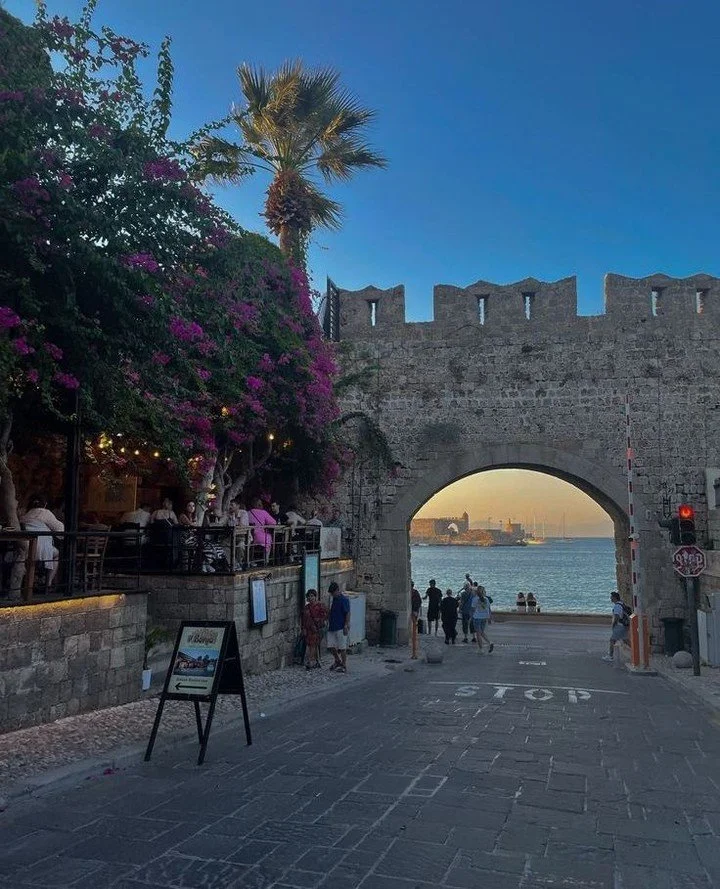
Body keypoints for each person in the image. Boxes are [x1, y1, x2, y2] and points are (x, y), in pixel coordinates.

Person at [20, 496, 64, 586]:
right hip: (42, 549)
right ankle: (48, 583)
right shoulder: (45, 513)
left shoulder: (25, 515)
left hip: (27, 548)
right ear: (45, 504)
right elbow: (60, 529)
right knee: (57, 554)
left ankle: (34, 579)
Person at [327, 581, 350, 673]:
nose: (332, 595)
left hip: (341, 626)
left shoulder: (344, 600)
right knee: (331, 645)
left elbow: (347, 613)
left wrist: (346, 625)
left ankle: (344, 665)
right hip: (332, 625)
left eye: (333, 593)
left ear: (337, 591)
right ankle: (337, 660)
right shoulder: (334, 600)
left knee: (342, 647)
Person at [302, 589, 327, 670]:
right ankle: (316, 661)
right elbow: (303, 619)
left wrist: (318, 622)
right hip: (308, 629)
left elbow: (324, 616)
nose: (310, 597)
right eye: (309, 596)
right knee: (311, 645)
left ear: (315, 596)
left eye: (312, 596)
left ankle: (310, 661)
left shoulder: (320, 606)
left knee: (313, 644)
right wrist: (303, 628)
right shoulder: (306, 608)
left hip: (316, 629)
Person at [603, 591, 631, 662]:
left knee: (612, 640)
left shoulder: (617, 606)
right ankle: (637, 650)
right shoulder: (622, 604)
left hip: (619, 626)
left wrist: (613, 625)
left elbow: (617, 617)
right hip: (624, 625)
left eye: (611, 597)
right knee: (626, 640)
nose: (610, 598)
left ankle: (610, 656)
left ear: (614, 598)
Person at [471, 585, 494, 654]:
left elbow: (473, 609)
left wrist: (471, 616)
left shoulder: (475, 599)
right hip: (484, 617)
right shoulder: (486, 599)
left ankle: (481, 649)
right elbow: (489, 609)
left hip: (477, 617)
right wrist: (489, 617)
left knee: (478, 633)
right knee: (481, 632)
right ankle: (489, 642)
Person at [460, 577, 475, 643]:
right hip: (472, 610)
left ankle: (466, 637)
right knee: (472, 624)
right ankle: (474, 637)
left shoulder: (463, 594)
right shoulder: (473, 593)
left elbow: (462, 602)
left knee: (465, 624)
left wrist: (460, 608)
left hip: (465, 610)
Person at [410, 580, 422, 659]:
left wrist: (415, 611)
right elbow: (420, 602)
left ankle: (414, 653)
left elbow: (418, 602)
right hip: (414, 612)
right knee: (414, 632)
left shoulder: (414, 593)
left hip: (413, 613)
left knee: (414, 632)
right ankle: (414, 652)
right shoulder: (415, 593)